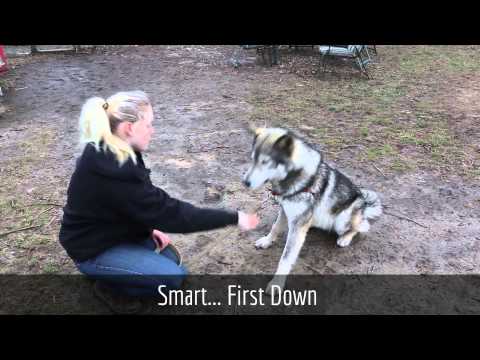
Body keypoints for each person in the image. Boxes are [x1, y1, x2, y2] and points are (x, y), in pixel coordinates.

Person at [59, 90, 259, 313]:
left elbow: (133, 204)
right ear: (128, 128)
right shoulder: (113, 169)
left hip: (112, 233)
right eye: (149, 125)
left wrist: (149, 226)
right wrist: (234, 217)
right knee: (173, 279)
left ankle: (119, 271)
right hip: (92, 249)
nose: (152, 132)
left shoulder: (117, 150)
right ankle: (109, 287)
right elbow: (176, 215)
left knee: (171, 259)